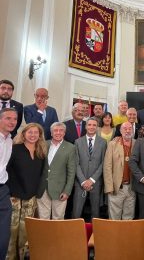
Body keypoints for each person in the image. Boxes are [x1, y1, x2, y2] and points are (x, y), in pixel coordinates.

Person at [6, 123, 46, 260]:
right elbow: (5, 171)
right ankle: (10, 257)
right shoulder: (14, 149)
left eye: (36, 132)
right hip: (14, 196)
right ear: (23, 134)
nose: (33, 135)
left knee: (25, 231)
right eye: (30, 132)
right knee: (12, 230)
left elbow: (41, 175)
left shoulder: (41, 152)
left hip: (31, 197)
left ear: (40, 135)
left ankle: (22, 257)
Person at [37, 122, 76, 220]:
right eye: (55, 130)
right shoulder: (44, 144)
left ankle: (56, 236)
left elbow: (71, 172)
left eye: (61, 130)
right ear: (51, 133)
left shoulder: (71, 148)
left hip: (60, 190)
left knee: (58, 218)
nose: (58, 133)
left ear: (64, 133)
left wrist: (67, 191)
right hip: (42, 188)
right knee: (43, 218)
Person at [72, 118, 107, 219]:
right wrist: (83, 181)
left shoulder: (103, 142)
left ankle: (94, 233)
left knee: (95, 212)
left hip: (96, 182)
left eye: (94, 125)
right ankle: (74, 233)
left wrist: (92, 180)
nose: (91, 127)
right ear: (86, 126)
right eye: (89, 125)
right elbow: (76, 163)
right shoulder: (78, 142)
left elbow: (103, 163)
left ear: (97, 127)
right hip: (80, 182)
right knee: (76, 211)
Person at [103, 122, 136, 220]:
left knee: (129, 217)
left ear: (133, 131)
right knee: (114, 218)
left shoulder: (137, 144)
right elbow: (107, 166)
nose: (127, 130)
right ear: (120, 131)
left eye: (130, 128)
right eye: (125, 128)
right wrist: (109, 187)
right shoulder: (112, 144)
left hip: (132, 188)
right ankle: (114, 235)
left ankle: (126, 235)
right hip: (117, 187)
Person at [0, 108, 17, 260]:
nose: (12, 122)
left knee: (4, 232)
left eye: (15, 119)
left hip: (3, 189)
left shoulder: (10, 140)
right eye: (8, 118)